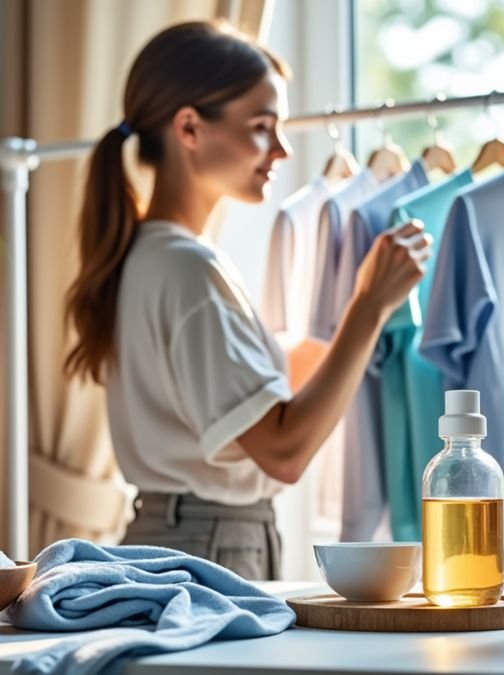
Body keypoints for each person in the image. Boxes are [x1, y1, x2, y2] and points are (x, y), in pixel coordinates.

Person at [64, 21, 430, 580]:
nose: (281, 149)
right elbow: (283, 452)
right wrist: (369, 306)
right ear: (188, 127)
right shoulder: (190, 270)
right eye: (262, 128)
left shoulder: (152, 255)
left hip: (184, 532)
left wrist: (325, 339)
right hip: (211, 542)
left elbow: (235, 401)